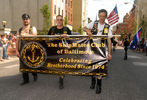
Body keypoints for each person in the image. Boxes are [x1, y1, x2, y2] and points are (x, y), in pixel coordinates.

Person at [83, 9, 112, 94]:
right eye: (100, 16)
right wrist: (88, 30)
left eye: (103, 16)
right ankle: (93, 81)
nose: (101, 18)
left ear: (106, 17)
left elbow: (109, 41)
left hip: (102, 50)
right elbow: (83, 28)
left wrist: (109, 53)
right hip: (92, 49)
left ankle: (99, 86)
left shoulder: (107, 27)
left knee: (100, 67)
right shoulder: (94, 23)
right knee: (92, 66)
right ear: (98, 16)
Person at [48, 15, 71, 89]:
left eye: (61, 20)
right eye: (58, 20)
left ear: (63, 21)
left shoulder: (66, 29)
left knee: (61, 65)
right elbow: (47, 38)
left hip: (63, 50)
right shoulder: (52, 29)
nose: (59, 21)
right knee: (56, 65)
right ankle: (61, 75)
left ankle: (61, 80)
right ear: (56, 20)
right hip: (54, 51)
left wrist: (67, 36)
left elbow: (72, 39)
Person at [16, 14, 38, 85]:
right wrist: (16, 50)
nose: (25, 20)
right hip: (22, 50)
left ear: (29, 20)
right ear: (22, 20)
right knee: (23, 65)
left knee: (32, 64)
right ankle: (25, 80)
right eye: (24, 19)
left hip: (31, 50)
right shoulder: (19, 30)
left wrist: (25, 35)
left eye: (27, 19)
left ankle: (34, 74)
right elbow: (17, 41)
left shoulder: (32, 28)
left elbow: (35, 37)